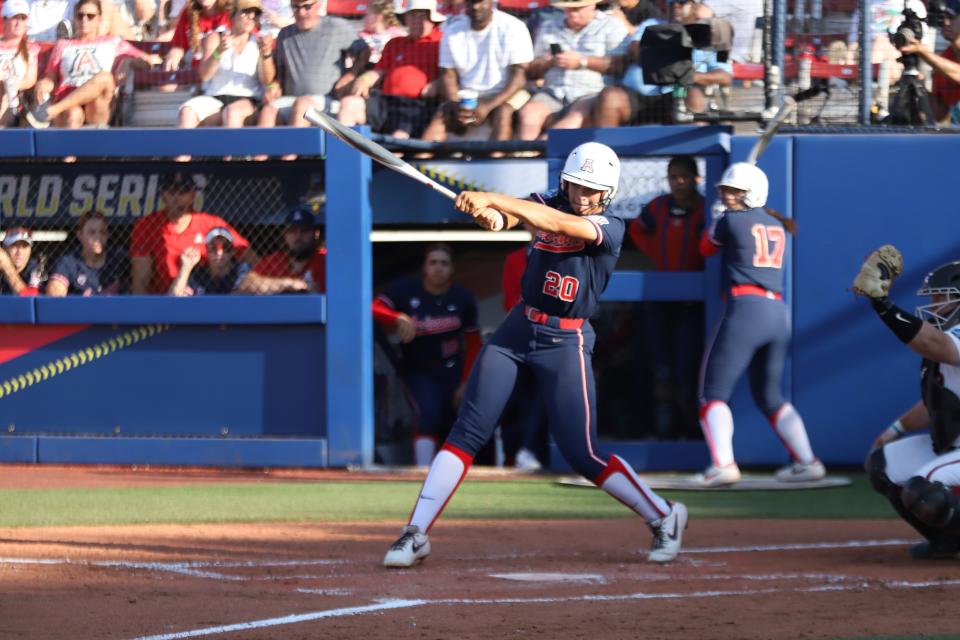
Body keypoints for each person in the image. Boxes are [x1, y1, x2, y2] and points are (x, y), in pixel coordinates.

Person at [383, 142, 688, 568]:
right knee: (467, 431)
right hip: (517, 329)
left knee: (581, 452)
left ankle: (663, 515)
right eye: (577, 186)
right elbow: (514, 215)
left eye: (592, 190)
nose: (583, 196)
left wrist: (494, 198)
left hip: (567, 341)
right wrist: (490, 214)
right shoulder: (546, 201)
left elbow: (555, 222)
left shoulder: (611, 226)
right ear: (565, 181)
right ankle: (414, 533)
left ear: (607, 193)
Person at [695, 162, 824, 487]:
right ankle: (808, 461)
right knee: (770, 396)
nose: (726, 196)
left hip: (746, 308)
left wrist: (715, 221)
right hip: (777, 312)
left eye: (732, 192)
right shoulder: (775, 222)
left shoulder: (732, 220)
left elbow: (705, 249)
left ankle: (723, 464)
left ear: (748, 194)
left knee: (712, 394)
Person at [855, 250, 960, 559]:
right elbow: (936, 404)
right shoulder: (947, 336)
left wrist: (883, 305)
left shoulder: (950, 338)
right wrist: (895, 428)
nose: (932, 306)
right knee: (881, 465)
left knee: (924, 490)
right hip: (950, 445)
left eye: (941, 297)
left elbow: (932, 344)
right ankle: (946, 542)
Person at [372, 243, 481, 466]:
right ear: (424, 267)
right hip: (418, 368)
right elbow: (373, 307)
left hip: (452, 368)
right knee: (428, 414)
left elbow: (473, 343)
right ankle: (422, 472)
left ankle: (454, 473)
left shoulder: (463, 298)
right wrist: (396, 317)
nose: (438, 268)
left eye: (444, 263)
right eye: (433, 263)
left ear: (451, 269)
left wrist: (466, 381)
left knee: (458, 421)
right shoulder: (406, 290)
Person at [629, 156, 705, 439]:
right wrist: (657, 255)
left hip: (694, 303)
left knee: (688, 369)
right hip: (660, 301)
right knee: (661, 370)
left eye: (684, 176)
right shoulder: (658, 206)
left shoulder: (706, 209)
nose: (679, 182)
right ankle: (664, 434)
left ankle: (691, 433)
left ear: (696, 179)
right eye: (674, 177)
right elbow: (637, 230)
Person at [25, 0, 162, 128]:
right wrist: (44, 83)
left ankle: (50, 112)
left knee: (105, 78)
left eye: (90, 16)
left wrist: (129, 60)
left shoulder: (112, 43)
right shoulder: (63, 44)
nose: (84, 20)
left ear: (99, 19)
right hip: (68, 102)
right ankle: (68, 153)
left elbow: (148, 60)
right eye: (80, 16)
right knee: (74, 114)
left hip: (97, 106)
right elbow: (51, 77)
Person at [419, 0, 533, 142]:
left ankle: (498, 161)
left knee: (503, 113)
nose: (475, 7)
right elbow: (447, 74)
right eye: (470, 2)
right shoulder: (452, 30)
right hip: (468, 94)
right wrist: (455, 104)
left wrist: (488, 106)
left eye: (480, 2)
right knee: (444, 114)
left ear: (492, 2)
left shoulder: (514, 27)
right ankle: (422, 161)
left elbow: (519, 78)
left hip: (509, 92)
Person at [515, 0, 627, 141]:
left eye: (578, 9)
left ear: (592, 5)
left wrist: (583, 61)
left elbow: (620, 64)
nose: (573, 13)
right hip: (552, 93)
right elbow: (532, 70)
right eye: (568, 9)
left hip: (592, 93)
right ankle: (523, 156)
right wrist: (549, 62)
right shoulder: (548, 26)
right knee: (529, 113)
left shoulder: (612, 26)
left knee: (574, 118)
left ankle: (542, 148)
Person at [130, 171, 254, 294]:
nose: (177, 198)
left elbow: (248, 256)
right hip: (163, 298)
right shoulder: (146, 225)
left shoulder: (211, 223)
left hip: (203, 296)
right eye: (172, 192)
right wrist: (141, 310)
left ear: (193, 195)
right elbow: (141, 278)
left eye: (183, 192)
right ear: (162, 195)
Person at [336, 0, 443, 140]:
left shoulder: (441, 42)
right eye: (412, 15)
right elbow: (379, 71)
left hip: (416, 105)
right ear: (406, 18)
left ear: (432, 18)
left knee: (398, 138)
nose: (417, 20)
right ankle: (344, 159)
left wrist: (438, 84)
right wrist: (364, 79)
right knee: (349, 104)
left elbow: (452, 75)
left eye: (422, 15)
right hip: (384, 101)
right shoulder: (395, 43)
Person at [255, 0, 359, 128]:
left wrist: (352, 74)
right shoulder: (285, 34)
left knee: (302, 106)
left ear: (318, 4)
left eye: (307, 7)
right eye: (296, 7)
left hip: (326, 100)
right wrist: (274, 85)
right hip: (291, 99)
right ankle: (261, 149)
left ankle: (295, 149)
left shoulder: (337, 27)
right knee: (268, 111)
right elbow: (277, 74)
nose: (301, 12)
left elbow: (364, 51)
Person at [177, 0, 270, 129]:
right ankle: (183, 149)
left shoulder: (260, 42)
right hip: (215, 98)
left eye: (256, 13)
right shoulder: (215, 38)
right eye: (246, 11)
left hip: (248, 99)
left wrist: (266, 54)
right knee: (187, 112)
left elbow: (267, 80)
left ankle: (232, 150)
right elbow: (204, 75)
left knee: (232, 113)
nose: (251, 16)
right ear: (232, 13)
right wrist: (218, 52)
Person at [894, 1, 960, 124]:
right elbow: (939, 114)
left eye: (951, 17)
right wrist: (921, 86)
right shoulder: (944, 59)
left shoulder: (937, 61)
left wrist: (923, 52)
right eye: (942, 18)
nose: (945, 23)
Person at [236, 204, 324, 294]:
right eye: (292, 230)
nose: (298, 236)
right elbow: (244, 285)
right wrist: (290, 284)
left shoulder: (325, 261)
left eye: (304, 231)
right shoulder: (275, 260)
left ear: (315, 234)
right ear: (284, 235)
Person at [46, 211, 128, 295]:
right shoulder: (68, 262)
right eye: (91, 232)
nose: (97, 237)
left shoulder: (118, 262)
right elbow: (54, 296)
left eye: (102, 232)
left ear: (108, 235)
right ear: (80, 235)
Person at [169, 226, 250, 295]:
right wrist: (186, 268)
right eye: (214, 248)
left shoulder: (240, 270)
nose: (219, 252)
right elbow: (172, 301)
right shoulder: (198, 276)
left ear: (232, 252)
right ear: (207, 251)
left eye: (226, 247)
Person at [161, 0, 231, 75]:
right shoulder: (188, 13)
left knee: (212, 39)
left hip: (224, 73)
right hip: (195, 75)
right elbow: (179, 46)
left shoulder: (231, 12)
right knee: (166, 85)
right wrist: (174, 54)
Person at [1, 0, 40, 127]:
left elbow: (30, 79)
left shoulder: (30, 48)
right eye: (14, 18)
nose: (19, 23)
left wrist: (11, 84)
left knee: (6, 88)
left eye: (23, 18)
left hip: (16, 98)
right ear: (5, 20)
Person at [0, 226, 46, 295]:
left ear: (30, 250)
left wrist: (7, 268)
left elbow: (32, 298)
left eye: (24, 246)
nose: (19, 252)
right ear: (5, 249)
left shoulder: (34, 268)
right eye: (14, 245)